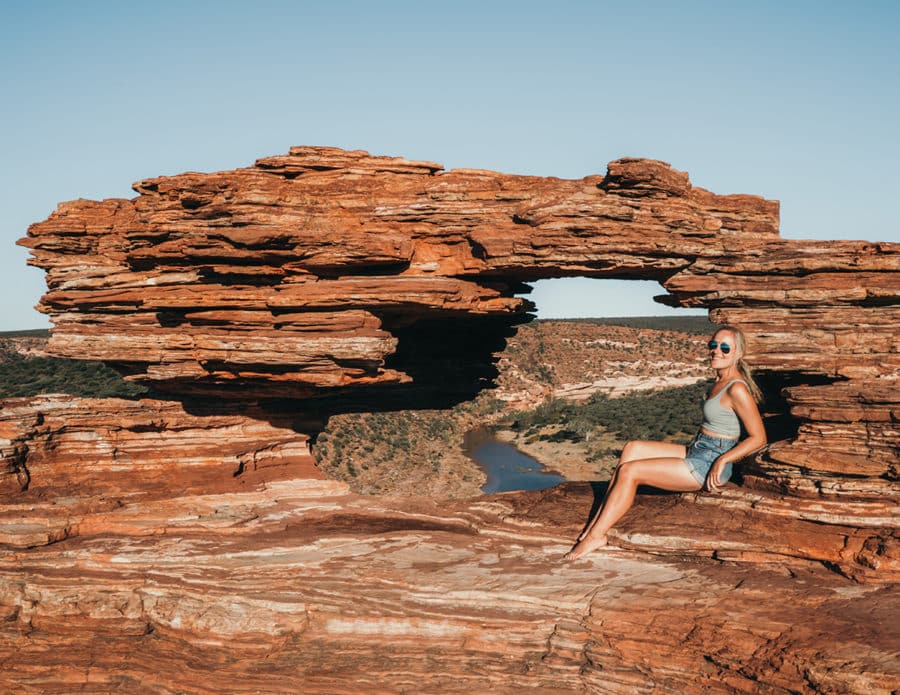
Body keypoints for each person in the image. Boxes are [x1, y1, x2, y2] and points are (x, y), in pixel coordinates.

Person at [564, 325, 767, 560]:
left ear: (738, 353)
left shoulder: (737, 388)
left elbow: (759, 437)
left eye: (724, 348)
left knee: (631, 471)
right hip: (698, 448)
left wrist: (724, 459)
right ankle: (599, 520)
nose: (716, 351)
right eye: (713, 345)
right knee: (632, 448)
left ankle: (596, 535)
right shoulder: (719, 380)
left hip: (709, 462)